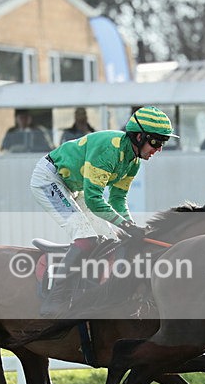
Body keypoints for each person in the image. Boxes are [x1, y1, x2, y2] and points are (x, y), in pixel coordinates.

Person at [30, 106, 178, 316]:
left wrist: (130, 228)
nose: (159, 149)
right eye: (155, 142)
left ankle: (91, 291)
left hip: (74, 186)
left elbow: (118, 200)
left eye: (163, 143)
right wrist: (126, 225)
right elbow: (93, 199)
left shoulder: (133, 162)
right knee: (86, 237)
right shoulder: (109, 150)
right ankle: (57, 296)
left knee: (111, 238)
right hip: (49, 180)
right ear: (138, 137)